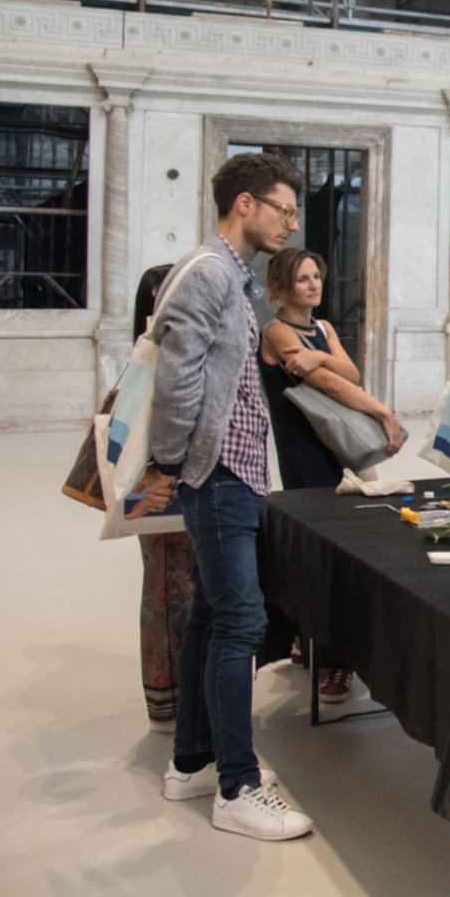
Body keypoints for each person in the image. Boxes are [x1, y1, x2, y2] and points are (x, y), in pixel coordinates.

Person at [127, 152, 313, 841]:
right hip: (217, 476)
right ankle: (236, 786)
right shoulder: (207, 275)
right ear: (245, 204)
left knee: (210, 616)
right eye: (283, 209)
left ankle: (193, 761)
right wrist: (171, 466)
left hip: (228, 471)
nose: (290, 224)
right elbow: (177, 385)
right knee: (241, 622)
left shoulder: (229, 278)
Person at [257, 246, 405, 705]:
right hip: (305, 451)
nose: (314, 285)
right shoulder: (276, 331)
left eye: (316, 277)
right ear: (282, 286)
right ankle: (329, 661)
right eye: (303, 279)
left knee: (347, 546)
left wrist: (317, 356)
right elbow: (331, 384)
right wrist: (382, 410)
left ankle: (319, 642)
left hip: (336, 445)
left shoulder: (319, 329)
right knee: (319, 552)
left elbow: (351, 369)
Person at [133, 264, 193, 736]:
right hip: (160, 489)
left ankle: (182, 695)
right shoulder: (147, 360)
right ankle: (168, 703)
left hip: (186, 486)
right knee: (166, 591)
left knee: (186, 592)